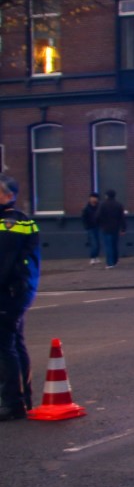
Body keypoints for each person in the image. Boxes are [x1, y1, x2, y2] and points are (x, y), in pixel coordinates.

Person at [0, 175, 40, 421]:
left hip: (7, 292)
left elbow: (3, 263)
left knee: (5, 348)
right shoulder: (25, 221)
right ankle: (22, 400)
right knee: (15, 343)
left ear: (9, 195)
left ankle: (13, 403)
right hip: (19, 290)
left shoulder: (8, 223)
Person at [96, 189, 127, 268]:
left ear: (107, 196)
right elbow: (122, 218)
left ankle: (110, 263)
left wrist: (99, 224)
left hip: (106, 228)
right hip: (116, 228)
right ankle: (115, 260)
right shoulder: (119, 205)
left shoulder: (103, 205)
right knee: (114, 245)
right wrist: (123, 228)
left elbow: (98, 216)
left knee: (108, 245)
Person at [81, 192, 101, 265]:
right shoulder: (86, 208)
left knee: (98, 243)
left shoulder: (99, 207)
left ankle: (96, 257)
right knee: (94, 243)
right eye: (92, 197)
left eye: (95, 198)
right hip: (90, 227)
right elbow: (83, 218)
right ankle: (92, 257)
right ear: (90, 198)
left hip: (98, 227)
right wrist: (86, 226)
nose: (94, 199)